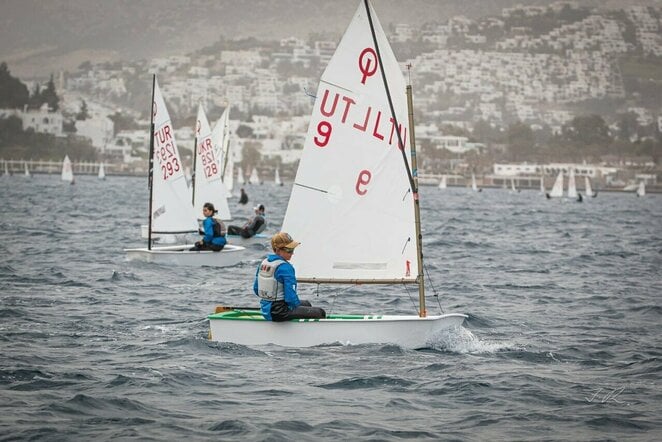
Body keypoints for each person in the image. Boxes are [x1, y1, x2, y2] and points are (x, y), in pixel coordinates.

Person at [253, 232, 326, 322]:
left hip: (265, 309)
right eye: (289, 250)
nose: (292, 253)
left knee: (307, 304)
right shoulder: (286, 267)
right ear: (278, 250)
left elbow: (256, 289)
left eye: (293, 249)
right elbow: (290, 298)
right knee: (320, 312)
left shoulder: (263, 263)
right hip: (279, 312)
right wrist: (295, 307)